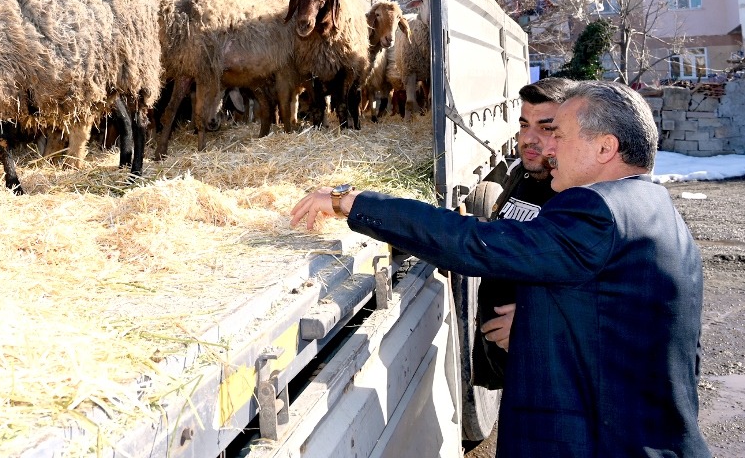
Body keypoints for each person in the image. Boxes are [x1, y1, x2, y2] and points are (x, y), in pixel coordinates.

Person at [291, 81, 710, 457]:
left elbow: (474, 243)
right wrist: (539, 320)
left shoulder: (597, 211)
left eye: (557, 135)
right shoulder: (656, 209)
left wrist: (355, 201)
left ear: (605, 148)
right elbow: (624, 320)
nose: (546, 149)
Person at [473, 77, 576, 390]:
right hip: (512, 368)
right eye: (524, 125)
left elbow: (608, 287)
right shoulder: (521, 174)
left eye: (546, 127)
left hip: (552, 376)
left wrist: (536, 321)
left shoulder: (575, 193)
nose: (528, 139)